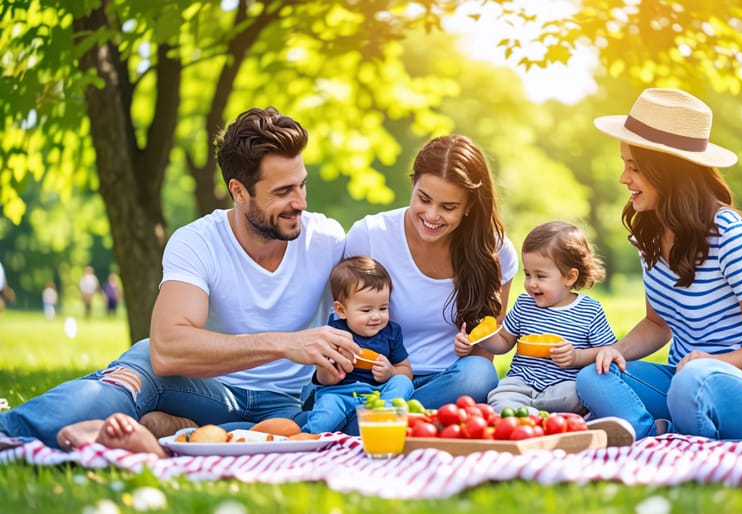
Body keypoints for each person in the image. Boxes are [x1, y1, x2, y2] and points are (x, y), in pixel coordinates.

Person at [0, 106, 360, 451]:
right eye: (283, 192)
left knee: (299, 430)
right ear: (238, 191)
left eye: (302, 185)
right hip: (205, 391)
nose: (300, 202)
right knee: (132, 373)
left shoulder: (326, 240)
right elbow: (169, 348)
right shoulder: (198, 241)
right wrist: (284, 344)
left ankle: (169, 430)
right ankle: (11, 432)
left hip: (287, 406)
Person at [575, 88, 742, 440]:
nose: (623, 179)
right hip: (681, 381)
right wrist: (615, 351)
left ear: (667, 172)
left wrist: (712, 363)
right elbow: (657, 324)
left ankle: (678, 437)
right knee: (593, 376)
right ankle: (650, 435)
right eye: (624, 164)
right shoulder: (650, 234)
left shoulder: (729, 234)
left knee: (690, 381)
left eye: (634, 168)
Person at [343, 134, 518, 408]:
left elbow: (484, 346)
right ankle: (404, 417)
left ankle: (388, 419)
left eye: (448, 207)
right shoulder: (370, 236)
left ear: (470, 206)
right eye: (424, 199)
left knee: (480, 375)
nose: (432, 216)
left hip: (448, 382)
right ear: (413, 183)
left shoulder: (494, 250)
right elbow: (343, 320)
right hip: (380, 381)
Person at [455, 221, 617, 415]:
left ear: (569, 277)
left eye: (540, 276)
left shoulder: (589, 310)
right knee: (499, 396)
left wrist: (576, 357)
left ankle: (533, 416)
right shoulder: (524, 304)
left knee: (579, 395)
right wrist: (479, 338)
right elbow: (504, 342)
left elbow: (608, 350)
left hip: (563, 387)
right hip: (521, 383)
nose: (531, 284)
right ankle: (539, 418)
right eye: (527, 274)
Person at [304, 256, 413, 435]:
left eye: (383, 308)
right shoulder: (333, 333)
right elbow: (323, 380)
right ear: (341, 310)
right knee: (325, 414)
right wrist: (334, 366)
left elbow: (406, 370)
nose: (376, 316)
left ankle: (382, 417)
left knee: (403, 382)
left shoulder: (392, 332)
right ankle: (307, 436)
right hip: (339, 394)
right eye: (366, 310)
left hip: (378, 395)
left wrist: (391, 372)